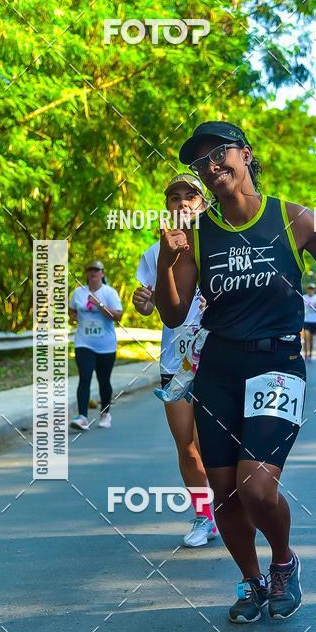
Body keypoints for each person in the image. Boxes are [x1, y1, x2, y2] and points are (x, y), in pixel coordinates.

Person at [155, 120, 316, 623]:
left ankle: (284, 563)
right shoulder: (199, 235)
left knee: (256, 486)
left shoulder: (290, 217)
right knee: (223, 488)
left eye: (219, 154)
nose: (210, 168)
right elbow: (171, 312)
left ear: (246, 155)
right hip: (220, 367)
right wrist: (167, 260)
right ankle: (251, 582)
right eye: (199, 162)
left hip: (277, 364)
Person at [133, 174, 217, 549]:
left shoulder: (222, 245)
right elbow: (154, 306)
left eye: (191, 195)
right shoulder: (155, 253)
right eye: (174, 197)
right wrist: (145, 304)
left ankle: (231, 507)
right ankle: (204, 515)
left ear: (204, 203)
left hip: (219, 355)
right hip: (177, 362)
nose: (182, 202)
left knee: (218, 444)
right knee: (187, 445)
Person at [69, 261, 123, 430]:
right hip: (83, 343)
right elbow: (71, 310)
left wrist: (99, 304)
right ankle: (82, 417)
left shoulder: (110, 293)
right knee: (84, 377)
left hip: (106, 345)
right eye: (90, 269)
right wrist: (73, 317)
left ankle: (105, 413)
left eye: (96, 270)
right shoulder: (78, 292)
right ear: (86, 273)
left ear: (102, 273)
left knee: (103, 380)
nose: (93, 272)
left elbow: (118, 317)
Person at [302, 283, 316, 360]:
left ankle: (310, 354)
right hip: (306, 320)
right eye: (309, 289)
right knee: (306, 337)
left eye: (312, 289)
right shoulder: (304, 297)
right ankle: (306, 355)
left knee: (311, 339)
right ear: (307, 290)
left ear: (314, 290)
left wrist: (314, 306)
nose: (310, 290)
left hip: (314, 320)